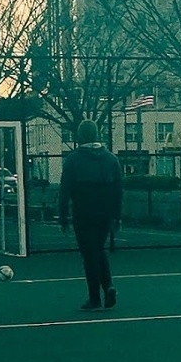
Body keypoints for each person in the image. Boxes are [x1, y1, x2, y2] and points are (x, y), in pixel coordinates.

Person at [59, 119, 122, 311]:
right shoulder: (111, 159)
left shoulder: (73, 159)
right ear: (97, 134)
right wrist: (116, 216)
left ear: (80, 136)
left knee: (89, 255)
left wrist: (62, 215)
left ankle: (95, 298)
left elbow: (65, 189)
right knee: (99, 249)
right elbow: (118, 190)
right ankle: (108, 285)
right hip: (105, 213)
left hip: (83, 212)